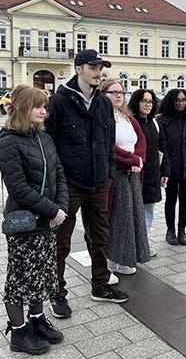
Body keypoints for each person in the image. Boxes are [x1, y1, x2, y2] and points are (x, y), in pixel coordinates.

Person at [45, 49, 128, 318]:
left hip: (99, 181)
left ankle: (100, 285)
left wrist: (108, 173)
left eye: (101, 67)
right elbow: (50, 144)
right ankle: (57, 293)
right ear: (78, 68)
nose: (98, 71)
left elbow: (109, 142)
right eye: (93, 67)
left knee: (100, 236)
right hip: (69, 183)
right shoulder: (60, 101)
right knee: (61, 241)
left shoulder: (103, 104)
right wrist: (57, 182)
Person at [0, 85, 67, 355]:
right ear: (23, 108)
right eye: (38, 106)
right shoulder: (8, 142)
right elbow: (19, 189)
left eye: (44, 106)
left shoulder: (44, 138)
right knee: (20, 278)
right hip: (25, 222)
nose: (43, 111)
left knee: (42, 275)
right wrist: (53, 211)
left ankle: (37, 320)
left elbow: (59, 173)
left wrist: (60, 208)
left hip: (47, 220)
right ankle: (18, 331)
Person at [100, 79, 151, 273]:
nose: (118, 95)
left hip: (133, 174)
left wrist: (139, 160)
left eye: (121, 92)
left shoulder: (127, 117)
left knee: (132, 217)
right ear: (103, 95)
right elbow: (108, 148)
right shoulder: (102, 118)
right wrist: (132, 160)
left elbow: (141, 141)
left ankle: (127, 258)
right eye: (113, 92)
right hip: (116, 174)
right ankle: (113, 258)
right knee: (119, 218)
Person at [128, 89, 169, 257]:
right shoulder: (130, 122)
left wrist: (165, 171)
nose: (147, 105)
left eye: (150, 102)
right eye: (144, 101)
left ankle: (143, 243)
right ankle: (133, 245)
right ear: (136, 102)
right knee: (133, 212)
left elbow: (162, 147)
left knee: (148, 211)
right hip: (135, 173)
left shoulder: (154, 122)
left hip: (152, 173)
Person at [158, 89, 186, 246]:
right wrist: (165, 168)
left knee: (185, 200)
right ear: (171, 101)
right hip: (171, 169)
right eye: (177, 100)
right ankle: (170, 230)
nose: (181, 103)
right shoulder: (163, 121)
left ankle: (182, 229)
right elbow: (161, 146)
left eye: (183, 100)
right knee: (171, 200)